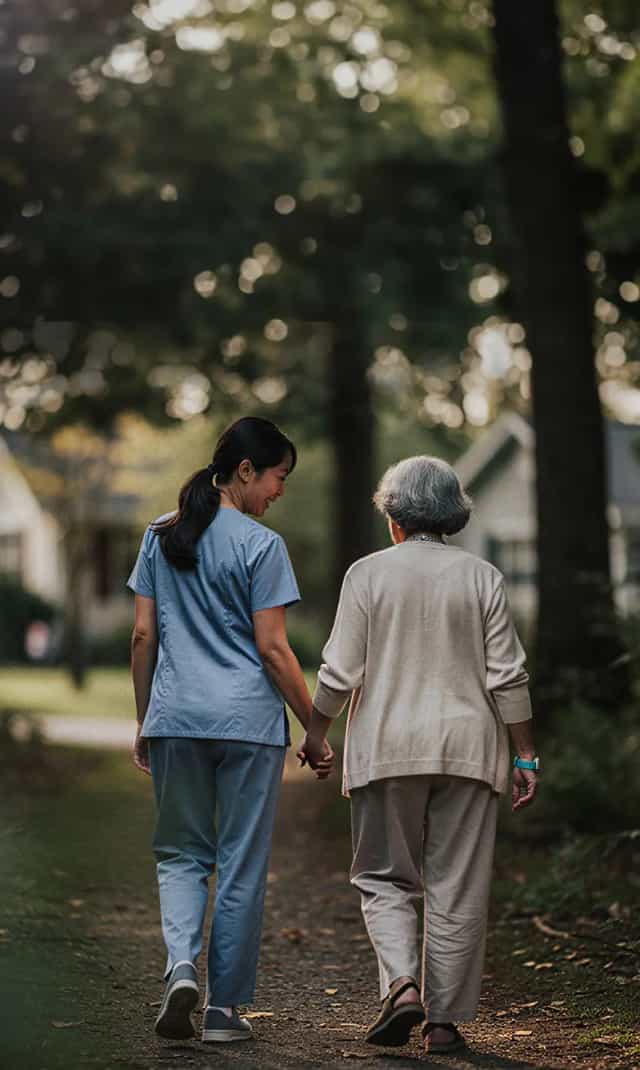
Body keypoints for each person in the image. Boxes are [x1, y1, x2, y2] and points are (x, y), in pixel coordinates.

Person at [300, 455, 538, 1055]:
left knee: (383, 876)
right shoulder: (483, 576)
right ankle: (443, 1024)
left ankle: (403, 986)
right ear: (451, 514)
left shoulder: (368, 575)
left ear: (394, 516)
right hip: (470, 749)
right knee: (458, 885)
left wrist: (315, 732)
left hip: (388, 747)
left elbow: (339, 671)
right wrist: (526, 756)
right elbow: (508, 676)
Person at [128, 416, 333, 1044]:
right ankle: (222, 1013)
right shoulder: (261, 546)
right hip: (247, 726)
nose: (279, 491)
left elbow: (142, 636)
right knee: (241, 865)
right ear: (245, 471)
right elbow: (274, 650)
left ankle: (181, 967)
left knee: (182, 856)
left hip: (177, 722)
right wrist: (315, 730)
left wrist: (145, 722)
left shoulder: (159, 535)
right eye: (277, 477)